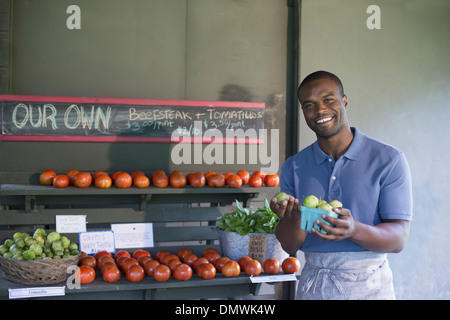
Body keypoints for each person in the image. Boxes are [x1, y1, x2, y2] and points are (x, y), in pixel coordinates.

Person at [270, 70, 413, 300]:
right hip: (313, 286)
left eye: (328, 100)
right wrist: (291, 219)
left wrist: (354, 230)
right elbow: (289, 245)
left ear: (344, 101)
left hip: (369, 287)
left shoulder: (388, 159)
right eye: (309, 105)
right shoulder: (294, 167)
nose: (320, 110)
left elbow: (399, 239)